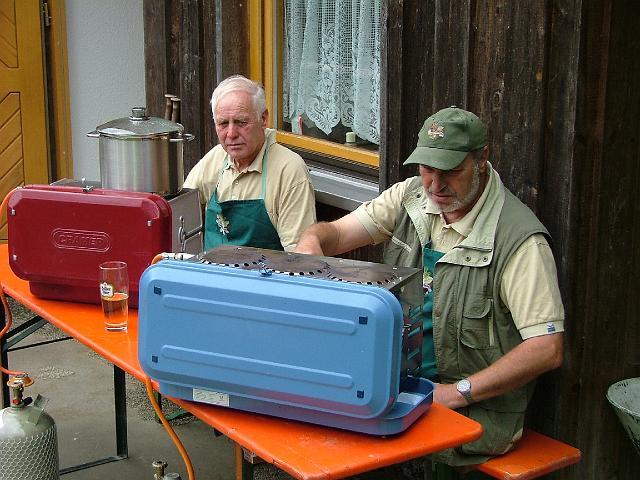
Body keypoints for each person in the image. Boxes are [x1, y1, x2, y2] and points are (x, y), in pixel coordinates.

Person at [295, 107, 564, 466]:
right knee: (303, 417)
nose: (435, 185)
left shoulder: (519, 241)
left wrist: (456, 393)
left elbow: (547, 348)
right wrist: (311, 244)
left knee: (344, 448)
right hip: (396, 387)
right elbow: (337, 234)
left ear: (482, 159)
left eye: (451, 171)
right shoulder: (411, 198)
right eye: (426, 170)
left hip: (472, 412)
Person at [184, 75, 316, 251]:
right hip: (211, 275)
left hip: (266, 277)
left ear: (263, 119)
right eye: (223, 123)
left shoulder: (289, 170)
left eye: (241, 122)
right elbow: (179, 213)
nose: (231, 133)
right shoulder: (216, 159)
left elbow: (300, 257)